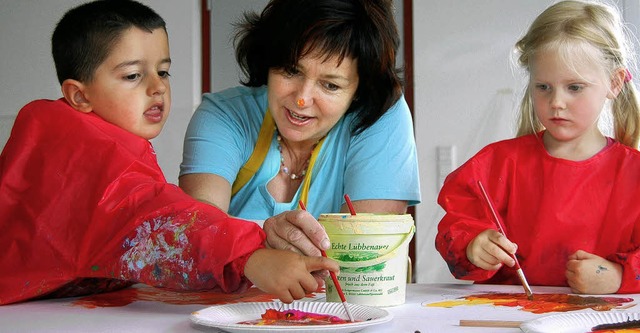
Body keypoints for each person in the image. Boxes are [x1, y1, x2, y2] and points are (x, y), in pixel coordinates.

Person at [0, 0, 338, 305]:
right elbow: (149, 214)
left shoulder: (97, 137)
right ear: (79, 96)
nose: (157, 86)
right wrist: (251, 256)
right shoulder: (75, 145)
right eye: (133, 75)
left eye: (163, 71)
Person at [179, 0, 421, 257]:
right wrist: (265, 235)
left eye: (330, 85)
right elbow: (195, 236)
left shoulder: (380, 116)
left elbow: (366, 251)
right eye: (292, 70)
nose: (302, 98)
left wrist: (247, 240)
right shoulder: (225, 114)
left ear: (360, 92)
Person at [435, 0, 640, 295]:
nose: (556, 102)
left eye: (574, 87)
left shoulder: (634, 175)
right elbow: (455, 226)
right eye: (543, 87)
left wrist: (620, 277)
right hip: (507, 317)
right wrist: (473, 245)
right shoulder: (497, 163)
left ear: (614, 82)